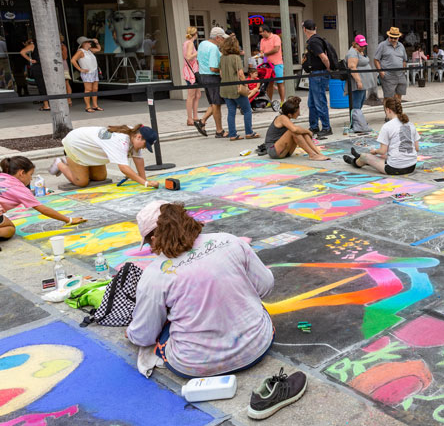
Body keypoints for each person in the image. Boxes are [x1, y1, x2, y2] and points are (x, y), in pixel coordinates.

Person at [127, 201, 276, 377]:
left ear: (154, 240)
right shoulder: (229, 240)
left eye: (149, 245)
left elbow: (144, 335)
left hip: (195, 364)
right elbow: (265, 286)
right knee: (244, 297)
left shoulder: (154, 275)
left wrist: (131, 332)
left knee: (164, 323)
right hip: (258, 345)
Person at [0, 156, 86, 240]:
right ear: (22, 173)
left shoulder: (2, 176)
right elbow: (43, 209)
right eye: (31, 175)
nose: (31, 179)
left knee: (6, 221)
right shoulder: (19, 188)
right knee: (10, 229)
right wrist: (69, 220)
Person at [50, 124, 159, 189]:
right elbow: (124, 168)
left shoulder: (133, 133)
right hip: (76, 144)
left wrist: (144, 178)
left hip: (92, 150)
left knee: (100, 178)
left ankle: (76, 165)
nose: (144, 148)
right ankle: (60, 163)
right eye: (145, 145)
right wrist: (145, 183)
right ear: (139, 137)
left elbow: (138, 158)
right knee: (81, 182)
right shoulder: (121, 141)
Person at [343, 98, 419, 175]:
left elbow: (382, 151)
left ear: (388, 110)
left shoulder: (387, 126)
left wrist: (375, 151)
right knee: (384, 157)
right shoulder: (410, 124)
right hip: (411, 166)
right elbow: (416, 148)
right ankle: (359, 157)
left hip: (395, 168)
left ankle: (354, 161)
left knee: (365, 157)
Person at [264, 96, 328, 161]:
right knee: (293, 131)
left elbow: (298, 130)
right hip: (274, 150)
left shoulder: (287, 118)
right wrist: (308, 131)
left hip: (285, 151)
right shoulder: (282, 118)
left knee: (302, 132)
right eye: (297, 112)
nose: (299, 114)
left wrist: (306, 132)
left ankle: (318, 153)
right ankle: (312, 155)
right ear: (290, 114)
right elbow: (294, 130)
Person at [218, 37, 258, 141]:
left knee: (231, 111)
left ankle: (232, 134)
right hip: (236, 87)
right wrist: (245, 84)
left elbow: (221, 73)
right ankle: (249, 132)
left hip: (225, 88)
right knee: (247, 109)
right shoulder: (236, 58)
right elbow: (240, 73)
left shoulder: (222, 58)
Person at [301, 19, 333, 137]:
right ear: (315, 28)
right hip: (316, 74)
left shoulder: (313, 42)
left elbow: (323, 57)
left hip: (318, 74)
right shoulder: (316, 39)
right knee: (312, 102)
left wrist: (327, 69)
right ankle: (314, 126)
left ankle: (326, 127)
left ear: (304, 29)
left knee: (319, 101)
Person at [195, 26, 227, 138]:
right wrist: (224, 70)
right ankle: (219, 130)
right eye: (222, 38)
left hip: (203, 75)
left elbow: (199, 61)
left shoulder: (202, 44)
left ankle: (202, 121)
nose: (223, 41)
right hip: (213, 77)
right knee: (216, 104)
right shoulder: (213, 48)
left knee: (214, 103)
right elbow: (213, 68)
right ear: (217, 38)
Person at [346, 34, 375, 133]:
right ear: (355, 44)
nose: (363, 47)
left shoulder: (360, 52)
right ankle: (358, 126)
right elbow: (352, 66)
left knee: (360, 103)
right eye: (361, 45)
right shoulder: (352, 53)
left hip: (363, 84)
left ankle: (358, 124)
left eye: (364, 45)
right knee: (356, 105)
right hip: (357, 84)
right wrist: (358, 81)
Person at [373, 27, 408, 103]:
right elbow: (376, 60)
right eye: (391, 37)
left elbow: (404, 59)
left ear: (398, 37)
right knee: (388, 98)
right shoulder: (382, 45)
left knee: (399, 95)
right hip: (388, 75)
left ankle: (397, 112)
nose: (393, 39)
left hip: (400, 75)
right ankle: (388, 114)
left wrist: (403, 70)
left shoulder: (401, 46)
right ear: (388, 36)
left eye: (395, 38)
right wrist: (381, 72)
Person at [257, 25, 285, 112]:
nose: (260, 33)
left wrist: (265, 54)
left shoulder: (276, 37)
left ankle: (282, 101)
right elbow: (262, 52)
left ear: (266, 31)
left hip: (277, 64)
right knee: (269, 84)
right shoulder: (262, 40)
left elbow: (276, 49)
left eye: (261, 31)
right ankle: (270, 101)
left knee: (280, 83)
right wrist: (264, 61)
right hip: (268, 65)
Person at [71, 36, 103, 113]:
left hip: (94, 71)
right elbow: (73, 60)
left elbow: (99, 49)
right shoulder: (81, 51)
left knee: (95, 89)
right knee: (88, 90)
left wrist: (97, 43)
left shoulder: (89, 50)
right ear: (84, 44)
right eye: (89, 42)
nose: (90, 43)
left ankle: (95, 105)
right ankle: (88, 106)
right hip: (87, 72)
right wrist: (80, 69)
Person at [19, 39, 49, 111]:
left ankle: (46, 105)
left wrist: (30, 60)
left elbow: (22, 52)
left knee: (41, 85)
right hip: (48, 66)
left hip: (38, 66)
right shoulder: (48, 44)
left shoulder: (33, 45)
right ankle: (51, 103)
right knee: (49, 85)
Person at [182, 27, 202, 128]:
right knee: (191, 95)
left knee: (197, 94)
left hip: (192, 71)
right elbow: (189, 57)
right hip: (191, 72)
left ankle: (195, 116)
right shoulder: (189, 43)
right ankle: (190, 118)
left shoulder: (186, 43)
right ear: (195, 34)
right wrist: (198, 52)